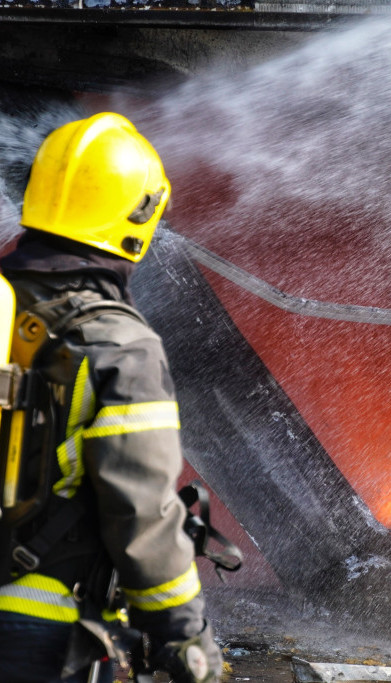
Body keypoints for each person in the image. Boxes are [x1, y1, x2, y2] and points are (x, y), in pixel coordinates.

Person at [0, 112, 222, 683]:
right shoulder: (119, 345)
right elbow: (141, 510)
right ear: (137, 217)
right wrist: (184, 632)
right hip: (33, 624)